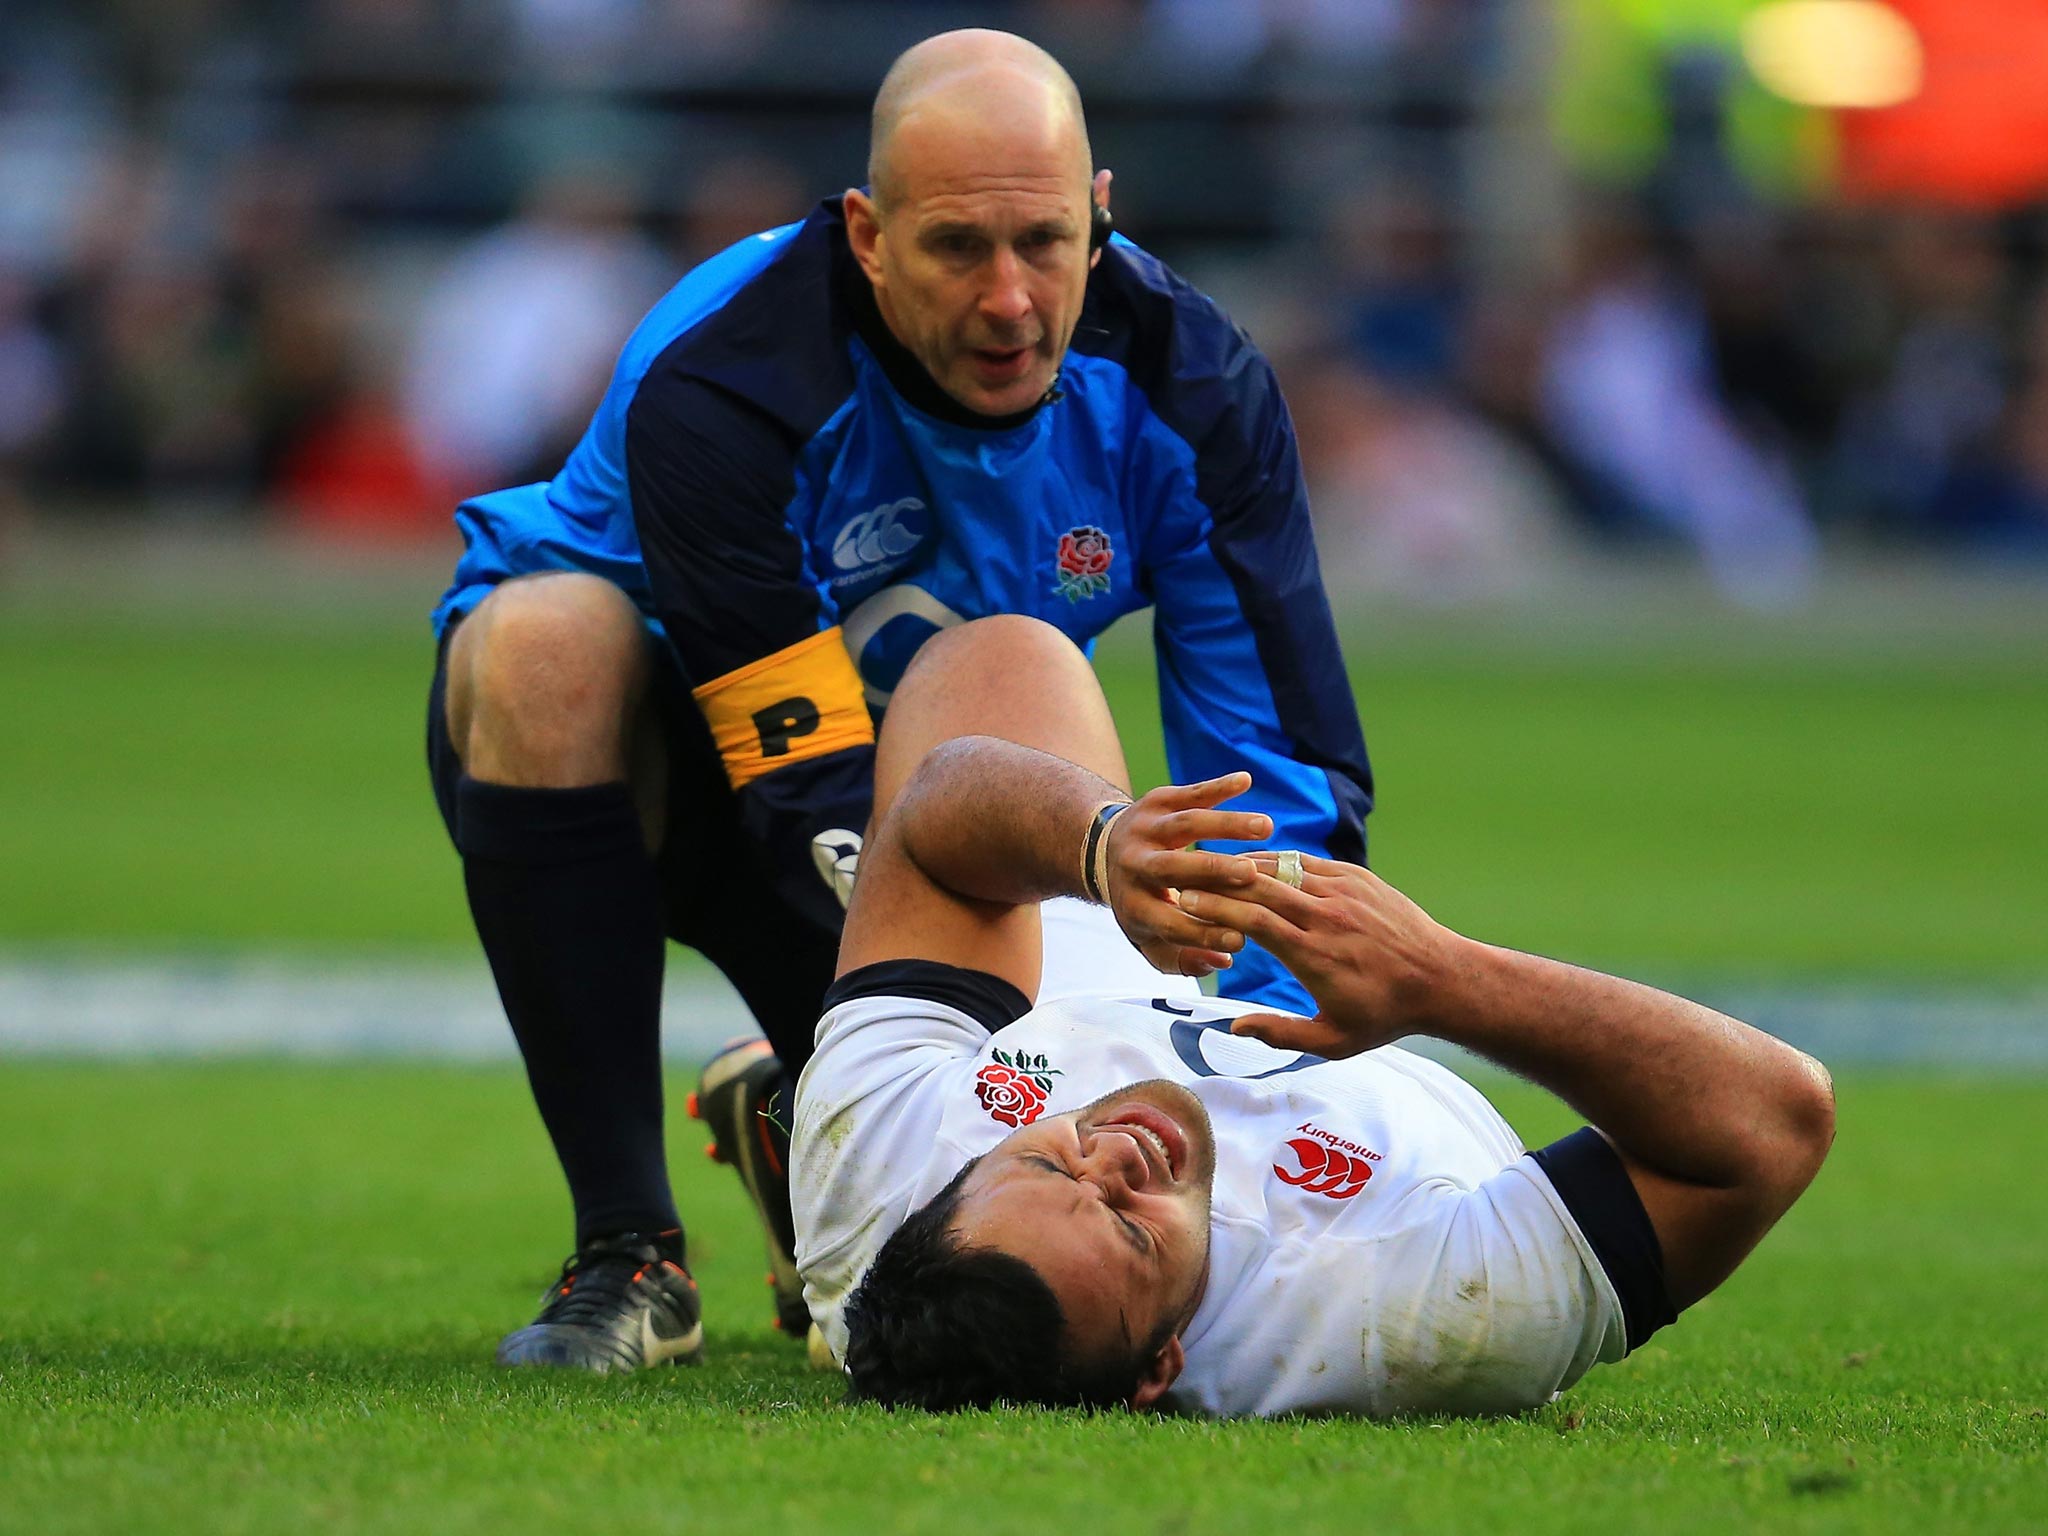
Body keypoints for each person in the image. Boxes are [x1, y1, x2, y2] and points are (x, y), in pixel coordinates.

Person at [424, 29, 1372, 1371]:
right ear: (867, 235)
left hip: (949, 791)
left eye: (1044, 243)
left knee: (1006, 675)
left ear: (1100, 215)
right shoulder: (727, 376)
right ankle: (629, 1254)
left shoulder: (1194, 385)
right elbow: (796, 782)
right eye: (956, 251)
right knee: (538, 642)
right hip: (684, 783)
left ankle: (792, 1108)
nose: (1008, 301)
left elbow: (1272, 762)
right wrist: (912, 1093)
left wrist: (1270, 1061)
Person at [793, 615, 1837, 1416]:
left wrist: (1099, 846)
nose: (1113, 1158)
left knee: (998, 659)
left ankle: (789, 1087)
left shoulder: (890, 1159)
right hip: (1350, 1086)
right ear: (1164, 1363)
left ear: (963, 1179)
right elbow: (1773, 1121)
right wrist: (1443, 981)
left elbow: (932, 817)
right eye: (1126, 1227)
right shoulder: (1415, 1311)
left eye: (1045, 1164)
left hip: (1098, 1015)